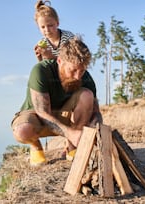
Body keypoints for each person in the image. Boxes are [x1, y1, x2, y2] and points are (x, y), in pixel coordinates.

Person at [11, 37, 102, 166]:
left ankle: (72, 148)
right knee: (22, 131)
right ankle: (36, 146)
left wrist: (96, 129)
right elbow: (42, 112)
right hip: (38, 116)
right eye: (73, 70)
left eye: (81, 70)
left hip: (64, 117)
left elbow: (96, 112)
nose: (77, 76)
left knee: (87, 95)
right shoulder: (41, 71)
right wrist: (71, 133)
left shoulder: (85, 78)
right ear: (59, 61)